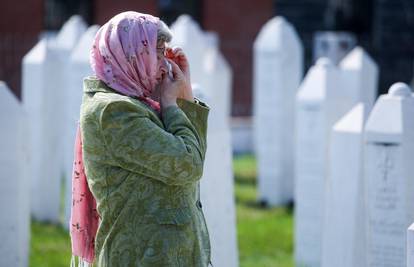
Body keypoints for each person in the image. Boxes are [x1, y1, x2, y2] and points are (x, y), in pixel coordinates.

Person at [69, 11, 211, 267]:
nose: (166, 64)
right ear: (132, 54)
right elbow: (189, 164)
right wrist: (170, 105)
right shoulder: (113, 111)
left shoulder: (138, 103)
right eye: (157, 52)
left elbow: (191, 157)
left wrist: (184, 95)